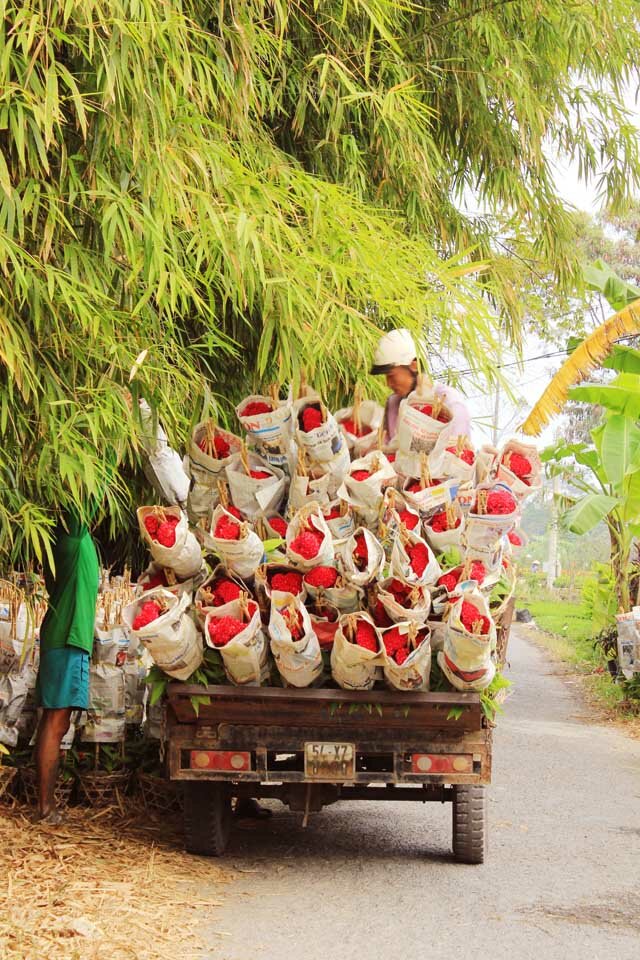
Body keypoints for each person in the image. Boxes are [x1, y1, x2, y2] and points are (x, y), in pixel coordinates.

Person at [34, 508, 100, 822]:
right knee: (56, 722)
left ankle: (46, 806)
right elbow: (84, 495)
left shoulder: (65, 541)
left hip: (64, 638)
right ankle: (46, 808)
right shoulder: (72, 536)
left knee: (55, 722)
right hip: (67, 638)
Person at [370, 328, 419, 441]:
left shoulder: (449, 402)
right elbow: (385, 444)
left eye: (391, 376)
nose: (388, 383)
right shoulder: (393, 404)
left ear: (413, 366)